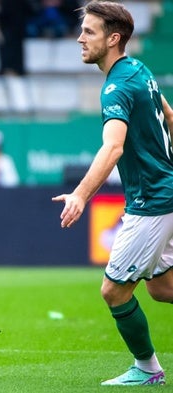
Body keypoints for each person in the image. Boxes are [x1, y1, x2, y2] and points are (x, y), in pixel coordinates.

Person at [52, 1, 173, 386]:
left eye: (89, 31)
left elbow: (113, 147)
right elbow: (169, 116)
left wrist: (81, 195)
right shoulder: (139, 69)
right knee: (162, 288)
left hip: (152, 203)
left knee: (113, 292)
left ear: (113, 38)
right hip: (164, 193)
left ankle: (148, 369)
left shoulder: (116, 87)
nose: (80, 38)